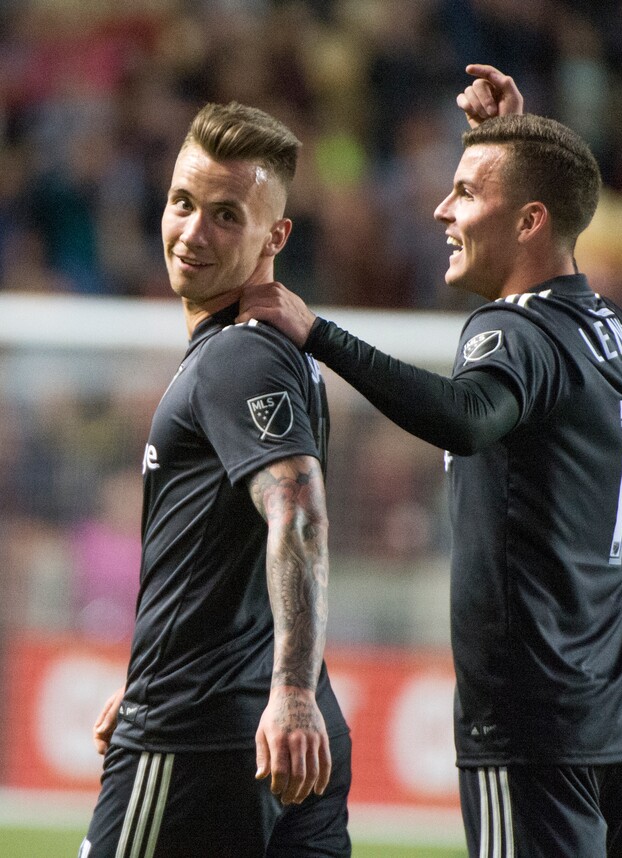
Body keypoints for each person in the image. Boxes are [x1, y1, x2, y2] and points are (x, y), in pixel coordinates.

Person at [238, 65, 622, 858]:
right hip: (619, 715)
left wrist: (317, 333)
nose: (440, 208)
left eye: (464, 191)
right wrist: (504, 147)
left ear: (530, 220)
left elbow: (468, 418)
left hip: (533, 719)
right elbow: (545, 210)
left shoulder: (513, 334)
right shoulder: (614, 330)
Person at [79, 101, 351, 858]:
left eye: (227, 215)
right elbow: (217, 551)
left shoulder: (240, 356)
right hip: (274, 724)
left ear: (276, 235)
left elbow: (297, 514)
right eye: (182, 202)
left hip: (199, 731)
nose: (192, 232)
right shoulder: (273, 354)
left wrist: (287, 692)